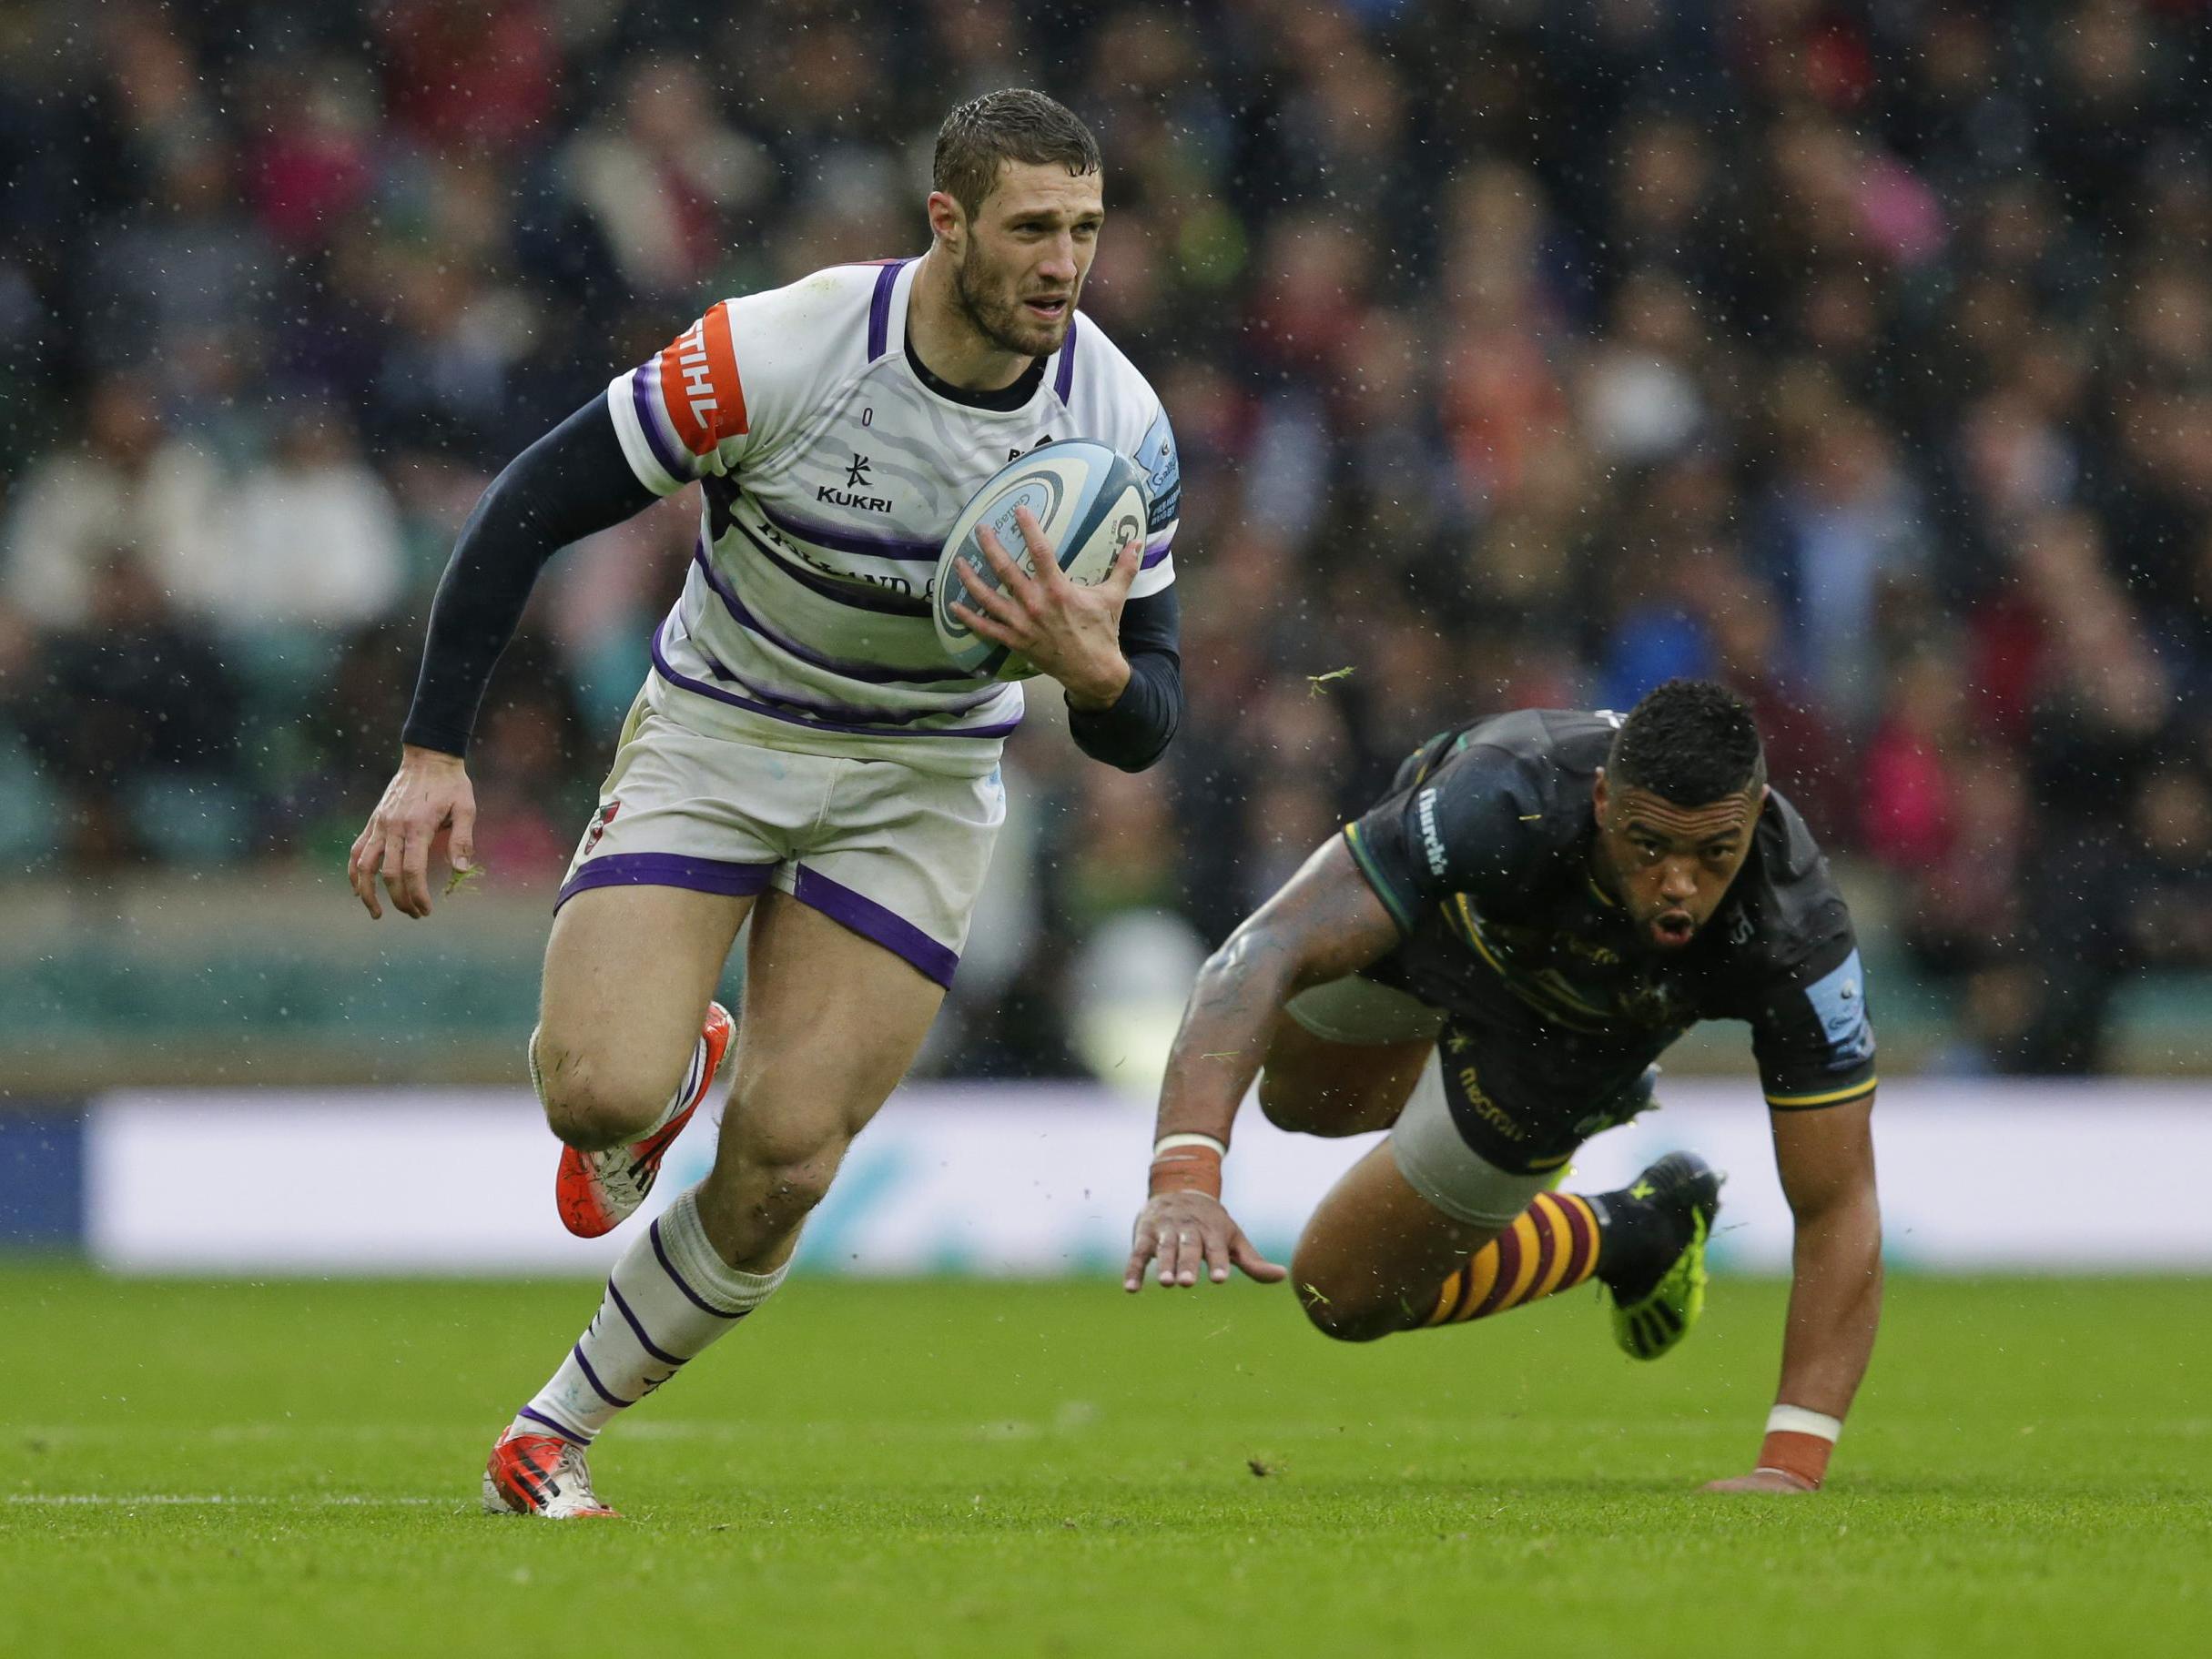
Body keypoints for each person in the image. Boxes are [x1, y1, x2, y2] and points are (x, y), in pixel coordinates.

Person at [346, 89, 1184, 1518]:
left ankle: (553, 1430)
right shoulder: (778, 348)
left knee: (788, 1159)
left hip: (919, 780)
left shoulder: (1119, 423)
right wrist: (434, 751)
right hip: (723, 732)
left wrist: (1096, 673)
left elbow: (1144, 721)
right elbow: (533, 501)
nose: (1064, 262)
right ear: (947, 222)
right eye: (1033, 226)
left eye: (1086, 230)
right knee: (593, 1087)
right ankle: (670, 1073)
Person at [1125, 681, 1882, 1495]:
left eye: (1714, 855)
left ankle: (1630, 1223)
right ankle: (1577, 1201)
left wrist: (1791, 1466)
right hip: (1442, 936)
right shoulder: (1505, 793)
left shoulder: (1796, 928)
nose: (1678, 885)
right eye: (1650, 844)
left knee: (1338, 1296)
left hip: (1566, 1050)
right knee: (1298, 1101)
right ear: (1600, 799)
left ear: (1757, 812)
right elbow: (1263, 949)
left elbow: (1838, 1201)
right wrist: (1185, 1176)